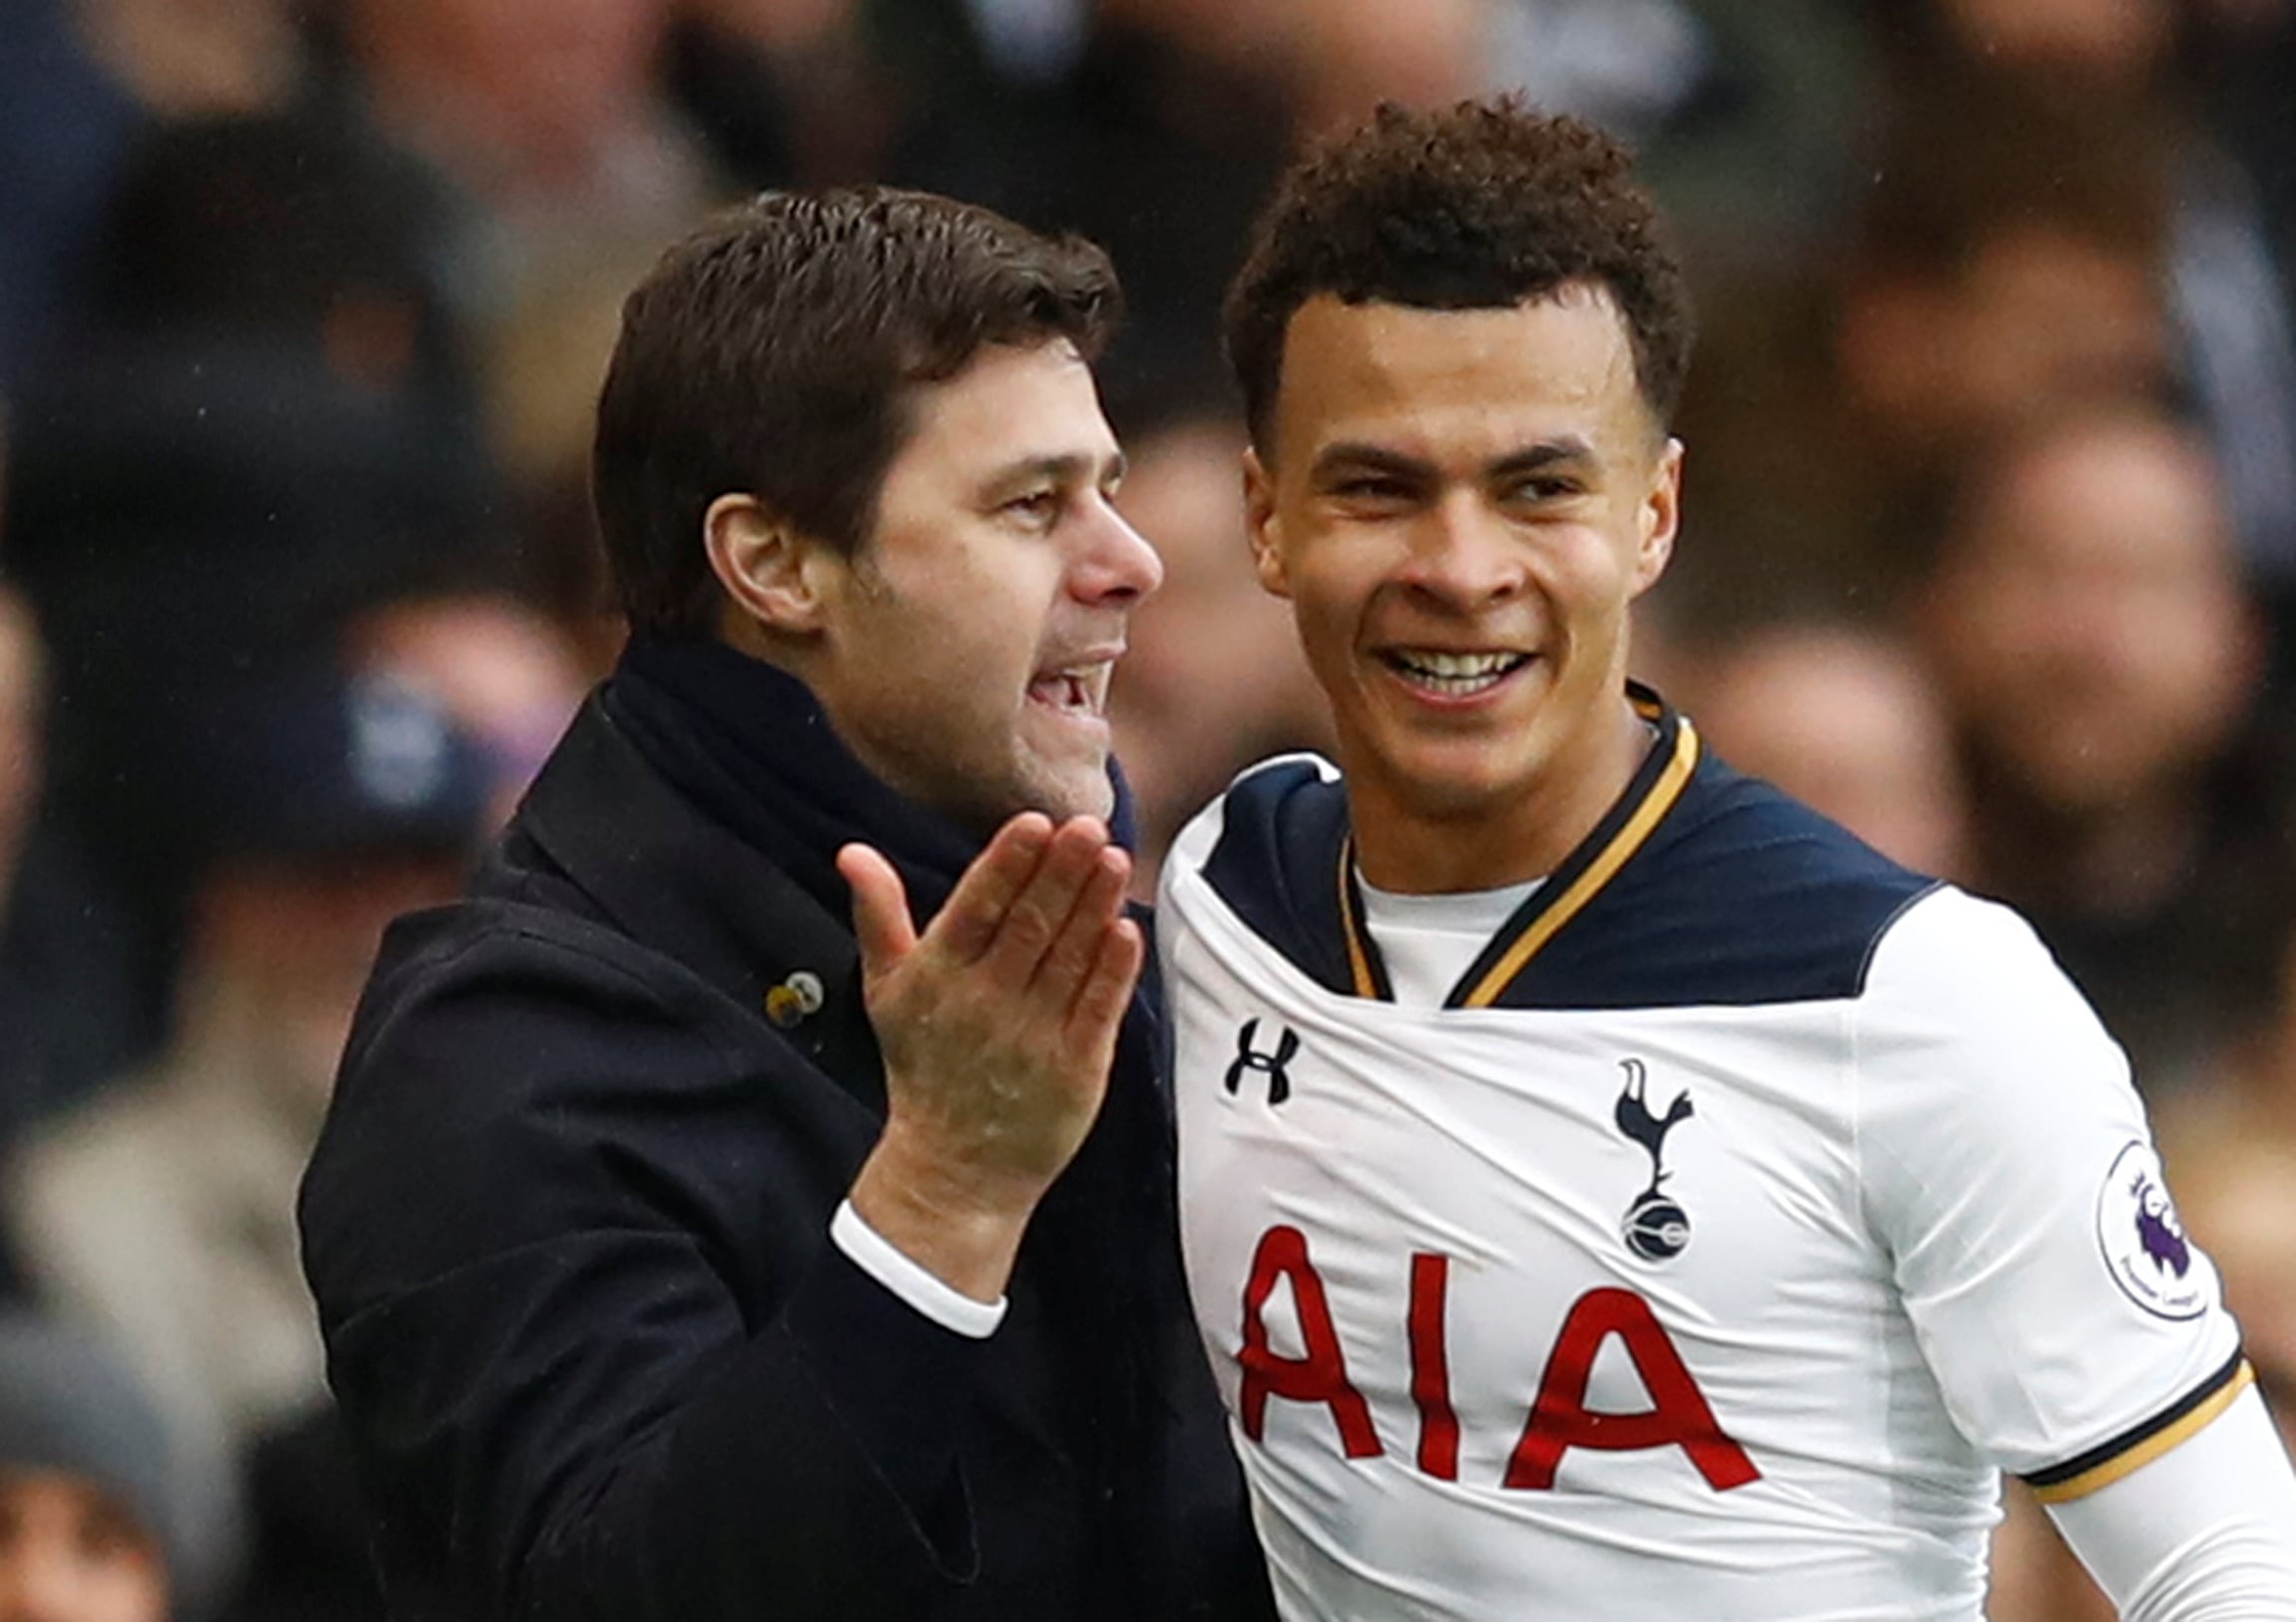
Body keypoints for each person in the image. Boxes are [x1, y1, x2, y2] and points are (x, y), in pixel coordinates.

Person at [1156, 97, 2296, 1619]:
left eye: (1538, 486)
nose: (1461, 566)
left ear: (1654, 514)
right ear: (1267, 518)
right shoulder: (1229, 894)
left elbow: (2225, 1561)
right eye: (1380, 485)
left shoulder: (1915, 997)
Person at [297, 187, 1268, 1621]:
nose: (1130, 561)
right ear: (772, 564)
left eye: (1107, 489)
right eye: (1031, 504)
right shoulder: (506, 1052)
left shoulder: (1150, 943)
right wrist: (941, 1197)